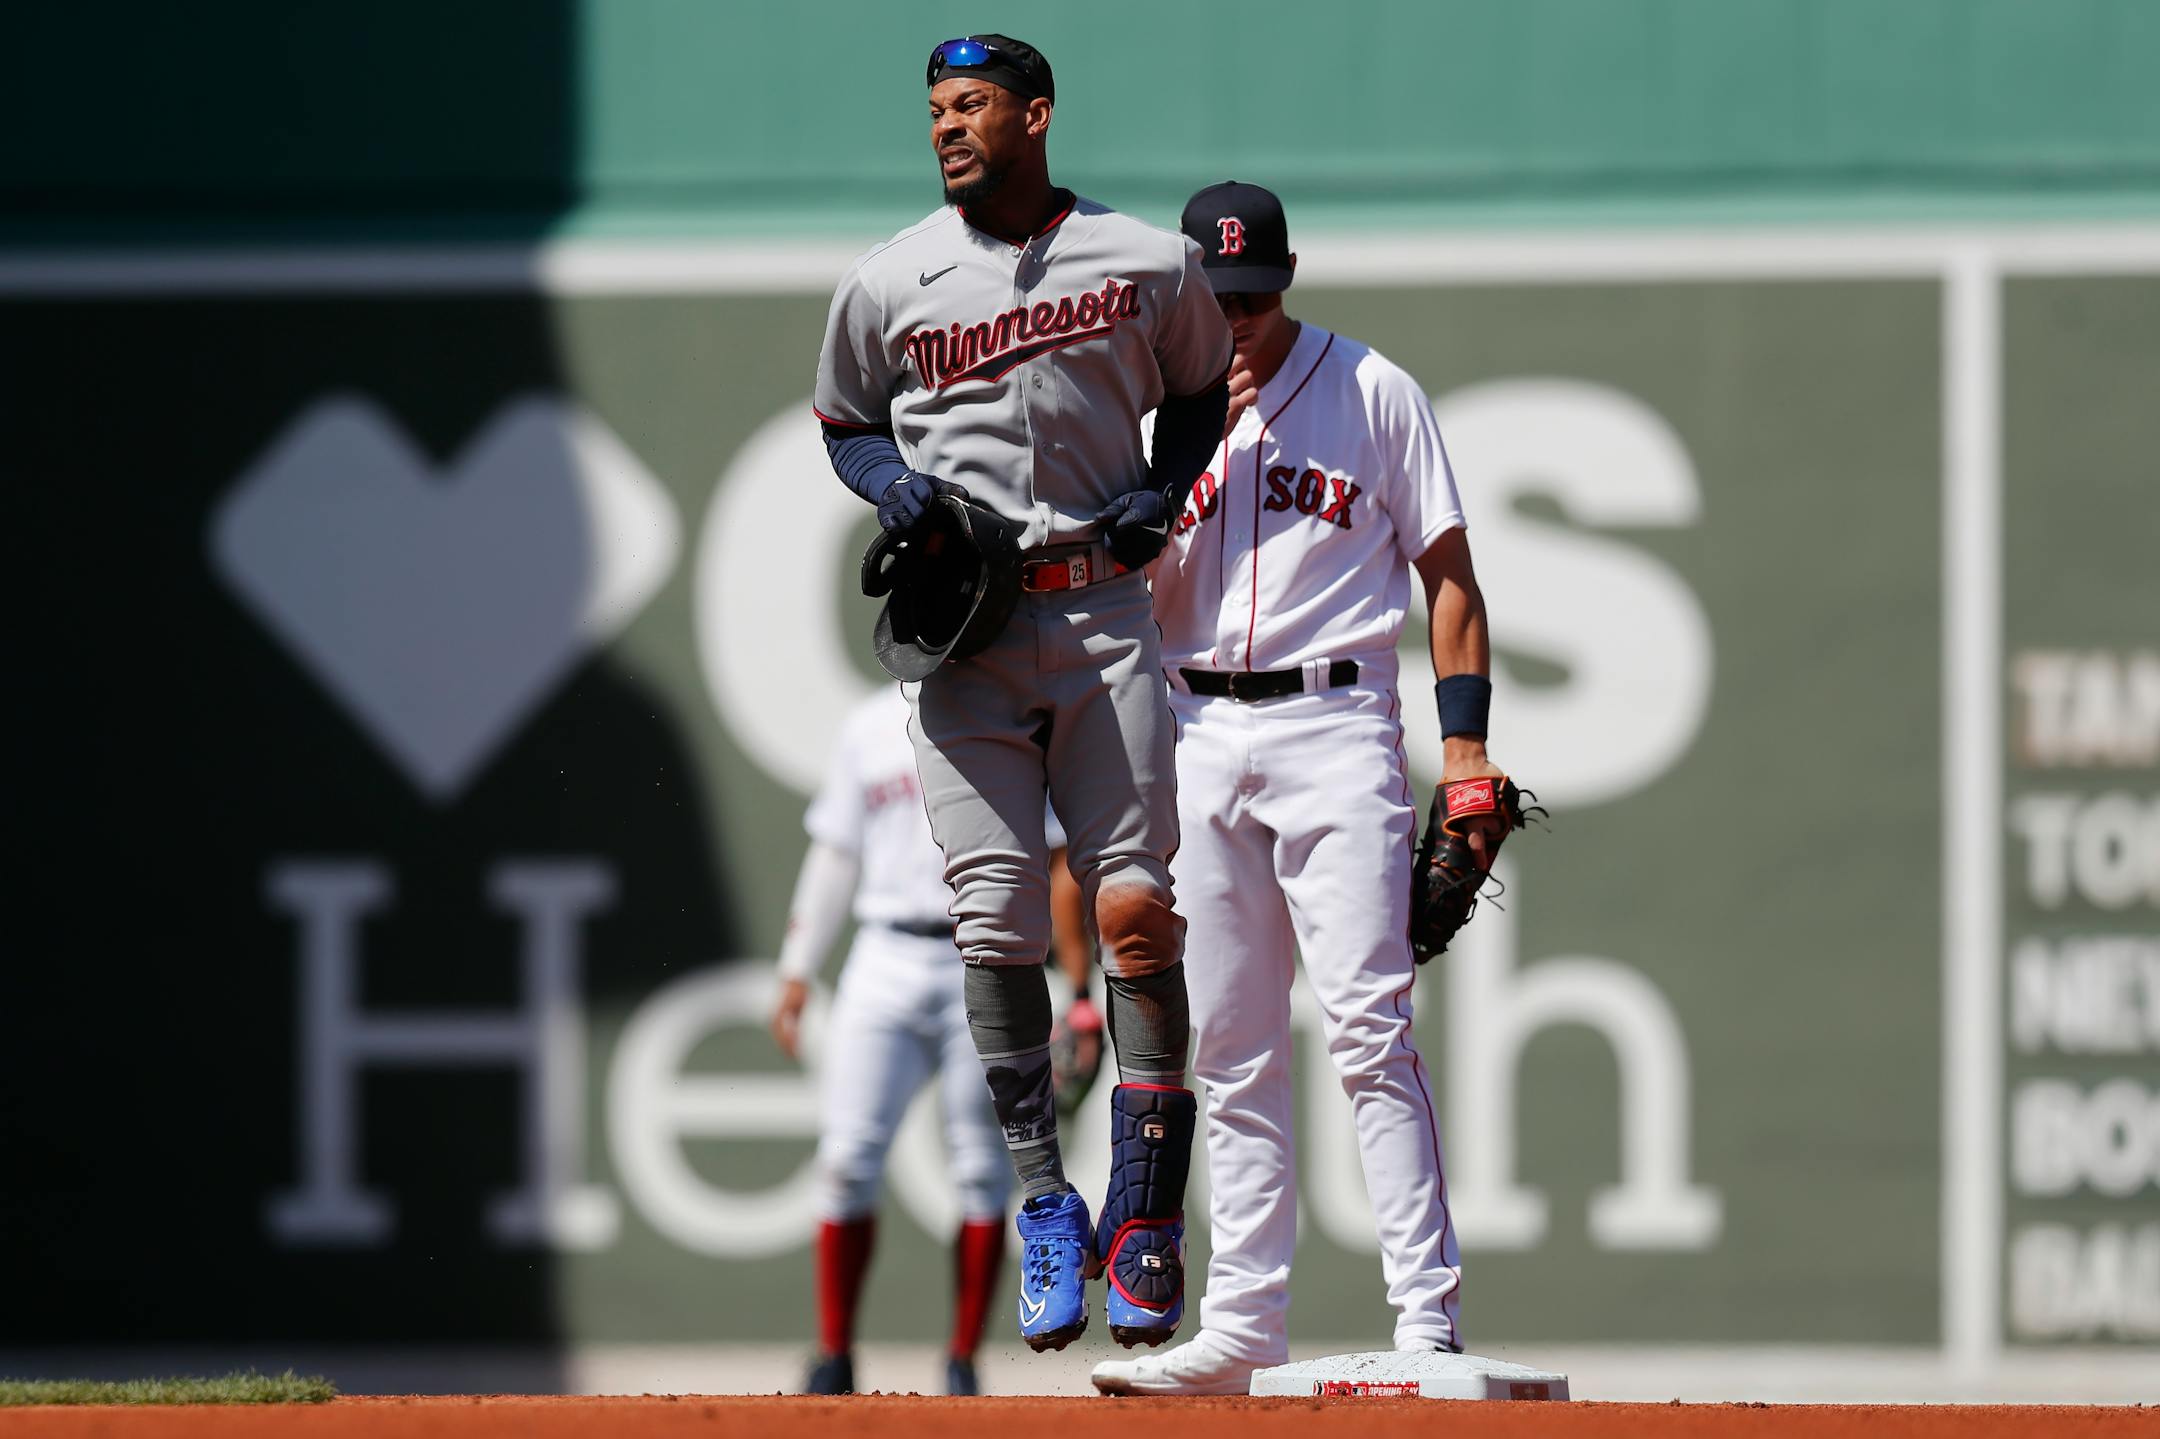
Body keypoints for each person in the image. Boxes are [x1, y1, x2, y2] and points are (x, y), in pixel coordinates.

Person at [812, 35, 1233, 1352]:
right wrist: (892, 485)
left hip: (1103, 606)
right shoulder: (891, 278)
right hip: (967, 631)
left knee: (1137, 907)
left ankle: (1149, 1211)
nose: (947, 126)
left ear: (1036, 115)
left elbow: (1200, 389)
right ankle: (1049, 1199)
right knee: (993, 923)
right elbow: (843, 418)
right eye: (935, 108)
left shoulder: (1146, 261)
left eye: (973, 104)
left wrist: (1167, 491)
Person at [1092, 181, 1504, 1395]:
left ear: (1288, 278)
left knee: (1372, 1026)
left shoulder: (1375, 390)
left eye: (1258, 294)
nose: (1243, 319)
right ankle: (1243, 1324)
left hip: (1336, 718)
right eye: (1221, 301)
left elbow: (1452, 578)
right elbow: (1125, 597)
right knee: (1229, 1044)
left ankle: (1426, 1321)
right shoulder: (1148, 411)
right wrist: (1159, 485)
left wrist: (1467, 750)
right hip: (1193, 720)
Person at [770, 685, 1091, 1396]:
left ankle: (961, 1358)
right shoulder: (866, 725)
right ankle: (833, 1353)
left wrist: (1074, 984)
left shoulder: (1013, 712)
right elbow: (835, 852)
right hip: (882, 953)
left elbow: (1062, 860)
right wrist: (797, 968)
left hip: (981, 958)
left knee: (980, 1171)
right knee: (848, 1158)